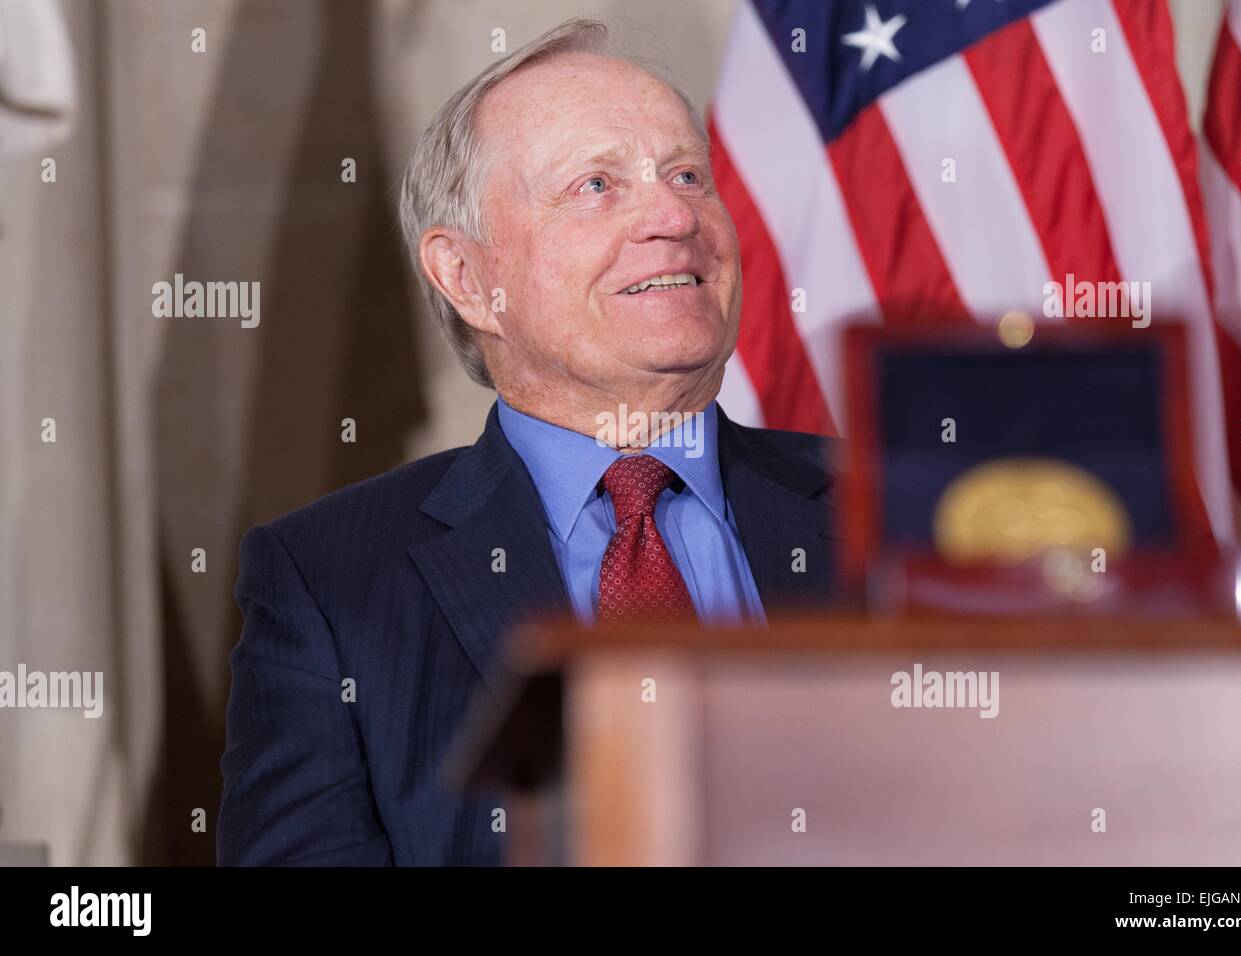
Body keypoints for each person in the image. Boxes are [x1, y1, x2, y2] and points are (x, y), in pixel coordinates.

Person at [217, 17, 838, 866]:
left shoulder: (893, 511)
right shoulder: (326, 582)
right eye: (596, 185)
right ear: (468, 277)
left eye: (689, 174)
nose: (673, 214)